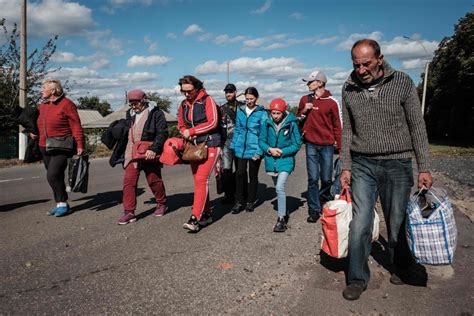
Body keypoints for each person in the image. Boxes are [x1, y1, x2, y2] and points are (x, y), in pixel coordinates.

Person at [340, 39, 433, 301]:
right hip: (363, 164)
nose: (361, 69)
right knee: (359, 223)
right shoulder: (348, 88)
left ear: (380, 59)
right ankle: (357, 278)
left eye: (366, 63)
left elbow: (417, 125)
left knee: (397, 221)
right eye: (356, 64)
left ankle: (402, 268)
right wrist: (345, 166)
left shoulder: (402, 82)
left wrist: (424, 166)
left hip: (398, 163)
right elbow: (347, 131)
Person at [33, 79, 84, 217]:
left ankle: (62, 203)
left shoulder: (67, 104)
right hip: (44, 146)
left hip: (62, 146)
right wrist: (34, 133)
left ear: (53, 91)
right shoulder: (42, 106)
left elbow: (76, 125)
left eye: (44, 88)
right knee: (56, 176)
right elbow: (39, 124)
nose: (41, 90)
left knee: (52, 175)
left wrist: (80, 144)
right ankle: (61, 203)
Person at [117, 89, 169, 225]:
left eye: (136, 103)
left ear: (144, 101)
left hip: (148, 152)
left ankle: (161, 203)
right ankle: (129, 212)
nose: (134, 107)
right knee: (129, 182)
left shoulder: (156, 113)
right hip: (131, 152)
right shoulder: (130, 114)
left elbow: (162, 133)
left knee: (154, 180)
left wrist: (154, 149)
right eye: (131, 104)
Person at [297, 70, 342, 223]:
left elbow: (338, 126)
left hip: (327, 146)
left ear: (320, 83)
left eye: (310, 81)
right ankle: (314, 210)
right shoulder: (304, 99)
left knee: (326, 179)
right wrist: (304, 110)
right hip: (310, 144)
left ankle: (325, 202)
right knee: (313, 179)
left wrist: (341, 149)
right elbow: (297, 119)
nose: (308, 84)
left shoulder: (332, 101)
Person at [178, 75, 222, 232]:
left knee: (201, 179)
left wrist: (192, 131)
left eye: (189, 91)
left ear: (197, 87)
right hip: (194, 149)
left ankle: (195, 217)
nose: (187, 94)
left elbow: (213, 122)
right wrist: (184, 131)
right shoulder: (183, 104)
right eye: (183, 91)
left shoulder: (207, 100)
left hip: (210, 144)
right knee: (198, 180)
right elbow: (180, 125)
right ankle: (207, 214)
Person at [259, 98, 301, 232]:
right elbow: (261, 141)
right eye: (273, 113)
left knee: (279, 187)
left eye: (278, 113)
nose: (275, 116)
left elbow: (297, 144)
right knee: (278, 186)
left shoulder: (292, 124)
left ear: (283, 112)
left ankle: (281, 219)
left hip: (285, 160)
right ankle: (284, 209)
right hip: (271, 161)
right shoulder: (266, 123)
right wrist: (269, 149)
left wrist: (283, 151)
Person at [230, 87, 268, 213]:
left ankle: (250, 201)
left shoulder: (262, 113)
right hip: (240, 147)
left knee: (253, 175)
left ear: (256, 98)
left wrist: (259, 152)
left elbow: (264, 134)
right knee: (239, 174)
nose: (249, 101)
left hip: (254, 148)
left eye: (251, 99)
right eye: (247, 99)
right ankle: (239, 201)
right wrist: (233, 146)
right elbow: (238, 129)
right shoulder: (240, 111)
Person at [220, 83, 243, 204]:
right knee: (226, 170)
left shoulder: (242, 107)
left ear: (235, 92)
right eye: (226, 92)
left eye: (230, 91)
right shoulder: (222, 108)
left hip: (240, 143)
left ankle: (241, 194)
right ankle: (228, 195)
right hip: (227, 143)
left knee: (240, 171)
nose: (228, 94)